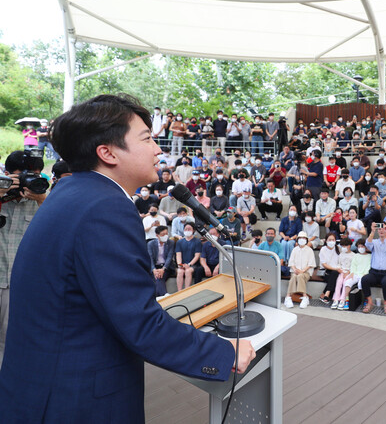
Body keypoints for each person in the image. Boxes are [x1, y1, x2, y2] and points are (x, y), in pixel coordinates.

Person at [0, 95, 255, 422]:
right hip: (73, 399)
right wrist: (225, 352)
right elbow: (140, 324)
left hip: (39, 387)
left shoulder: (70, 192)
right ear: (107, 152)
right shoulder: (105, 209)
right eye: (147, 138)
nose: (158, 150)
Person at [360, 222, 386, 314]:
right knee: (364, 279)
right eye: (379, 229)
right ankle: (370, 302)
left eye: (384, 228)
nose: (381, 231)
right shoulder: (374, 241)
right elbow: (367, 244)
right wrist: (372, 231)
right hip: (374, 272)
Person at [284, 231, 316, 309]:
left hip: (306, 273)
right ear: (297, 240)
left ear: (306, 240)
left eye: (303, 238)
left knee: (300, 276)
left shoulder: (309, 250)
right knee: (294, 277)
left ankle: (304, 297)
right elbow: (291, 262)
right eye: (300, 238)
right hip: (295, 272)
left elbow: (311, 264)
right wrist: (295, 269)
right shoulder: (295, 250)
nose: (302, 240)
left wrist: (302, 271)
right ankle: (288, 297)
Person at [147, 225, 175, 296]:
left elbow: (169, 257)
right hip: (155, 267)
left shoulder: (170, 242)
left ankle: (161, 296)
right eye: (163, 234)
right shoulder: (151, 244)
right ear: (157, 235)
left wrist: (163, 269)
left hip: (166, 267)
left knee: (159, 277)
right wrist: (154, 270)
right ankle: (164, 295)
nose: (165, 236)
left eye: (166, 234)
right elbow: (150, 258)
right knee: (157, 276)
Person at [175, 223, 201, 290]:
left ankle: (186, 291)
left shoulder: (197, 241)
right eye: (186, 229)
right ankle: (179, 291)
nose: (187, 230)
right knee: (180, 271)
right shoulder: (179, 242)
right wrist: (180, 265)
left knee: (188, 271)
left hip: (193, 265)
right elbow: (178, 254)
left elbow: (197, 256)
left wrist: (189, 264)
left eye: (189, 229)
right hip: (182, 264)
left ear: (193, 230)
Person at [318, 234, 341, 304]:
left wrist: (337, 269)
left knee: (335, 274)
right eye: (329, 240)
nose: (331, 241)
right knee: (334, 274)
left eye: (333, 240)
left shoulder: (338, 248)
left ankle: (325, 294)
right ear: (326, 241)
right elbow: (324, 264)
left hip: (336, 270)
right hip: (325, 270)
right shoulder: (323, 249)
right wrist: (335, 269)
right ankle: (327, 294)